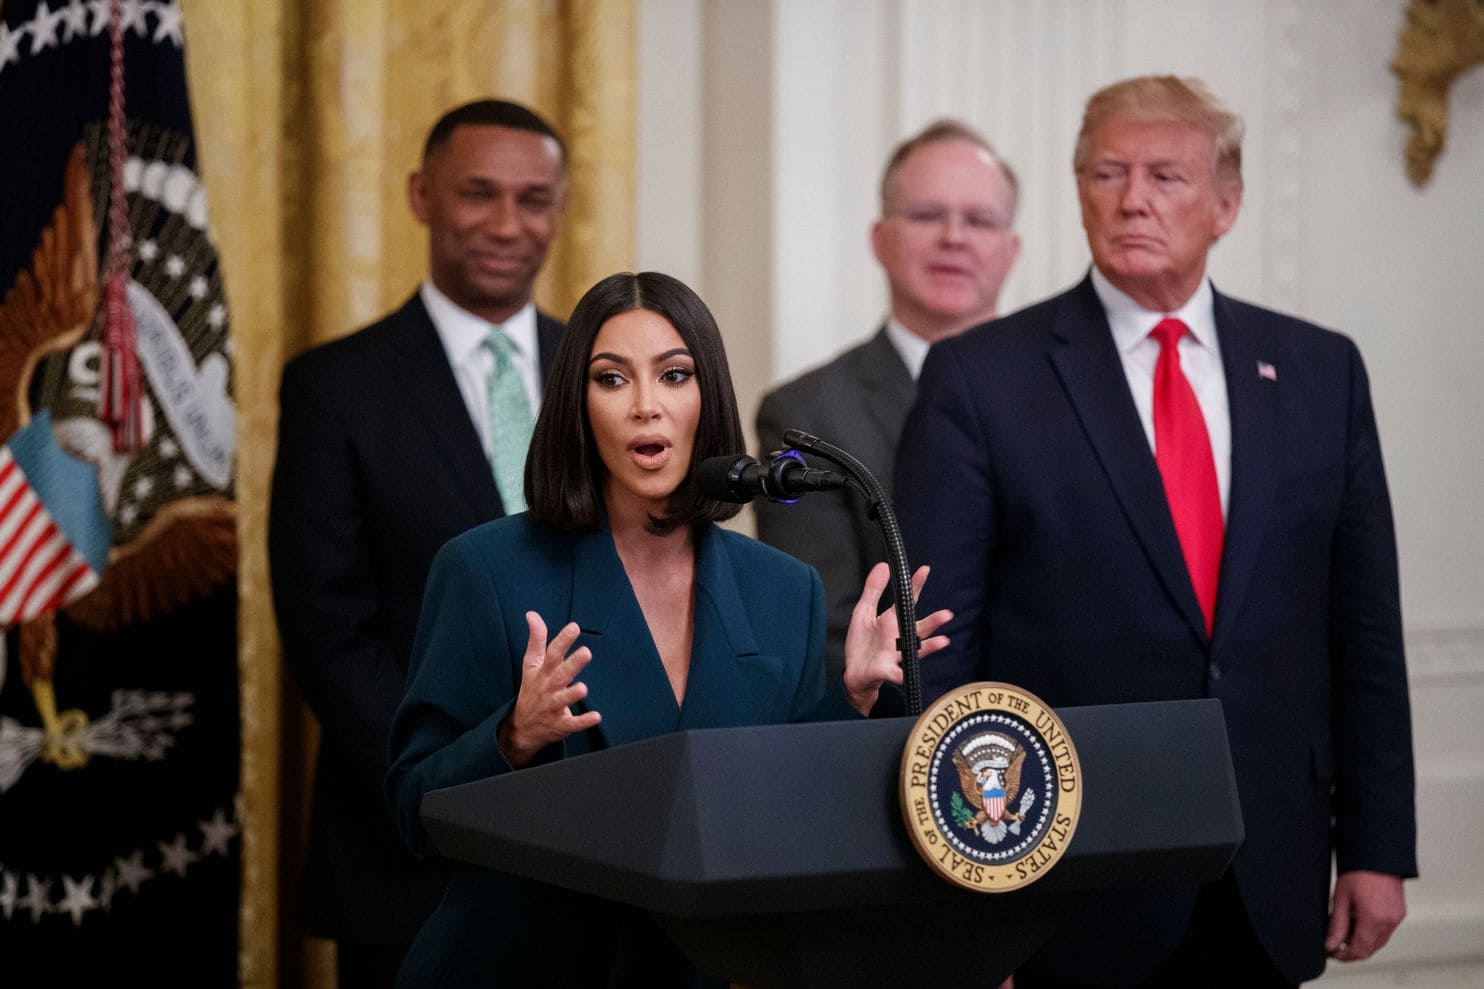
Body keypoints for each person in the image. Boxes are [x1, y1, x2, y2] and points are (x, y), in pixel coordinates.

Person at [895, 76, 1415, 988]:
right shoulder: (981, 378)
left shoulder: (1319, 371)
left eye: (1166, 177)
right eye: (1108, 173)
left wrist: (1377, 845)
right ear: (1080, 191)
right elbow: (938, 647)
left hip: (1271, 860)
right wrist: (967, 885)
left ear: (1226, 205)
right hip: (1067, 870)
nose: (1133, 199)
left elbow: (1364, 625)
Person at [385, 271, 950, 986]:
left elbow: (789, 816)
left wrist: (857, 695)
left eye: (674, 375)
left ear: (707, 399)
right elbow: (413, 812)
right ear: (578, 406)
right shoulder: (486, 570)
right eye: (612, 379)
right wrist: (513, 736)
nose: (646, 406)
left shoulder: (784, 591)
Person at [268, 99, 568, 984]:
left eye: (533, 198)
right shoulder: (335, 387)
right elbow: (328, 628)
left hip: (593, 847)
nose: (507, 224)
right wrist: (454, 773)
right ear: (421, 196)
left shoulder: (603, 376)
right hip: (407, 850)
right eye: (479, 193)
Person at [755, 120, 1020, 678]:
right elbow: (825, 633)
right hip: (896, 715)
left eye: (979, 220)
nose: (954, 237)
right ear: (879, 240)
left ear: (1011, 250)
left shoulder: (1061, 399)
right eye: (926, 215)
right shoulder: (804, 415)